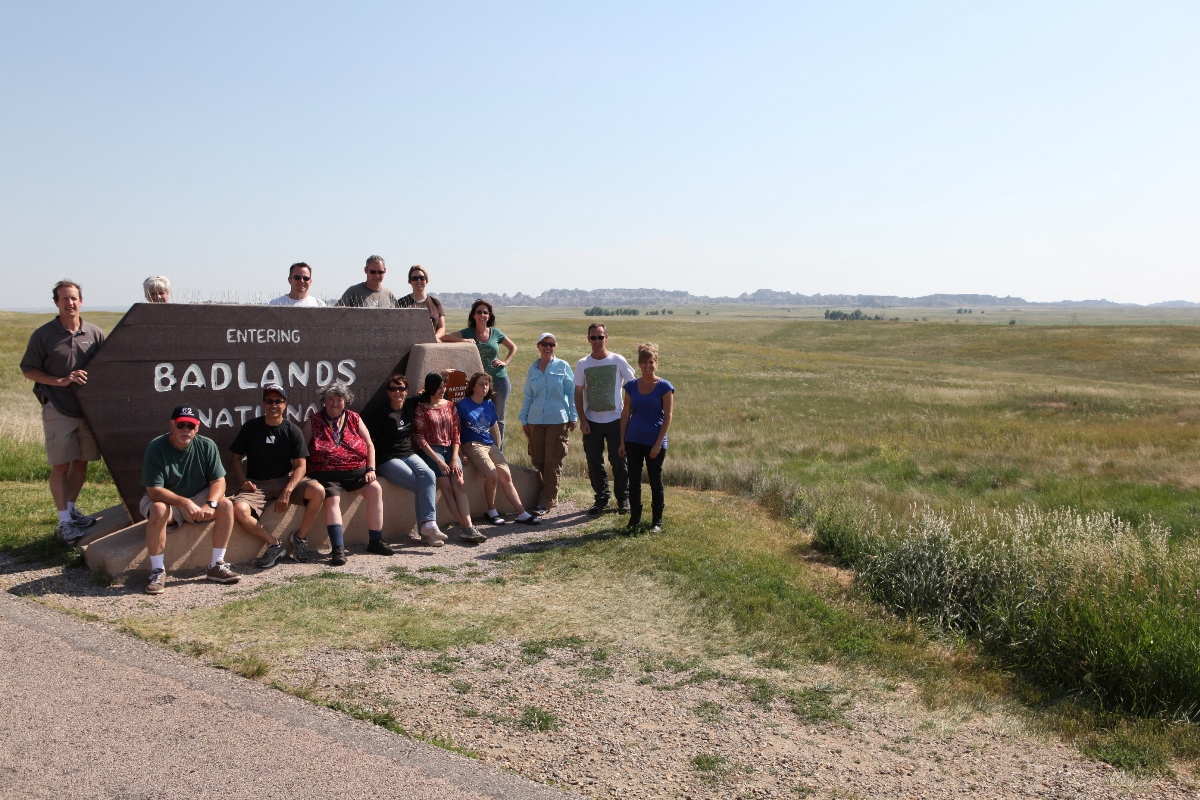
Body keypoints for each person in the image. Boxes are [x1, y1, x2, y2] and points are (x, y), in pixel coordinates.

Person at [20, 280, 106, 543]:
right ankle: (63, 521)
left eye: (73, 298)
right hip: (58, 408)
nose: (70, 303)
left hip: (87, 411)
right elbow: (28, 369)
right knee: (60, 466)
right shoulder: (44, 335)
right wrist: (61, 381)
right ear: (56, 302)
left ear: (81, 301)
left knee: (81, 464)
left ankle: (70, 511)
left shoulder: (94, 333)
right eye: (64, 299)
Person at [139, 405, 240, 594]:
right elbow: (153, 491)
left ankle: (217, 565)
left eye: (191, 426)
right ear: (172, 425)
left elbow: (219, 481)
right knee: (159, 509)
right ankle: (157, 571)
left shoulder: (206, 445)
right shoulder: (156, 447)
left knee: (225, 504)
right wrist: (185, 503)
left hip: (198, 497)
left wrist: (211, 503)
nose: (186, 430)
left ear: (197, 427)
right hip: (168, 500)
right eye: (181, 425)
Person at [227, 384, 326, 568]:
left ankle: (300, 538)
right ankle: (274, 544)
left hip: (285, 481)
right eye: (269, 401)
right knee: (239, 510)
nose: (273, 405)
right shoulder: (251, 427)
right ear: (263, 404)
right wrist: (242, 481)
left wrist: (288, 490)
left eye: (278, 401)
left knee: (318, 491)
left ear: (285, 404)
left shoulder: (292, 430)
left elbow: (301, 466)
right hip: (257, 484)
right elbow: (235, 457)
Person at [302, 382, 389, 565]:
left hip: (355, 471)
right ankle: (338, 549)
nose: (334, 403)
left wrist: (371, 469)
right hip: (325, 473)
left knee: (375, 490)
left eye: (339, 399)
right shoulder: (314, 421)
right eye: (330, 399)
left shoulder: (354, 418)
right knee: (333, 499)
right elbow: (301, 450)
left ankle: (375, 541)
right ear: (323, 401)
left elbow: (369, 445)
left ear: (346, 401)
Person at [362, 374, 446, 548]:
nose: (397, 392)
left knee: (429, 474)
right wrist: (369, 467)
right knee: (420, 484)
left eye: (401, 388)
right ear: (388, 392)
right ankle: (428, 528)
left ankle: (428, 526)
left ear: (406, 391)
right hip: (388, 459)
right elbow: (369, 442)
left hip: (408, 454)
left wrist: (444, 375)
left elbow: (431, 389)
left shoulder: (410, 404)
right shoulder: (381, 412)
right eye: (393, 388)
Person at [457, 372, 540, 526]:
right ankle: (491, 511)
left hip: (489, 445)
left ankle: (522, 513)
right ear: (473, 386)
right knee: (492, 475)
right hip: (472, 444)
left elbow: (494, 428)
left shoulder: (489, 404)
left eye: (487, 384)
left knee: (506, 476)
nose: (484, 387)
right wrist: (460, 453)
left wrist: (497, 446)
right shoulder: (463, 405)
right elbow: (455, 431)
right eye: (481, 384)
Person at [414, 372, 486, 544]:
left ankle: (468, 527)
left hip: (450, 450)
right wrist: (438, 461)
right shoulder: (421, 408)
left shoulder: (450, 406)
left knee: (459, 484)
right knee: (446, 487)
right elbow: (420, 438)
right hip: (432, 451)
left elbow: (456, 433)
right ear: (431, 388)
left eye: (444, 387)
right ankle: (467, 528)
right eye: (439, 387)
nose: (443, 390)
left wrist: (455, 457)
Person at [574, 323, 635, 516]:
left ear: (606, 338)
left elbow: (632, 385)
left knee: (618, 460)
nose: (597, 341)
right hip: (592, 421)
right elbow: (578, 393)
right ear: (588, 340)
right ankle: (601, 497)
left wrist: (627, 412)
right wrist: (582, 419)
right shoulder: (583, 364)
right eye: (593, 337)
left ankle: (623, 499)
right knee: (594, 461)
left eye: (600, 337)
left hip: (616, 420)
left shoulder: (617, 360)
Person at [440, 300, 515, 449]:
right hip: (479, 382)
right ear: (474, 315)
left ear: (489, 316)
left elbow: (513, 347)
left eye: (485, 312)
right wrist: (463, 340)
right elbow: (444, 337)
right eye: (479, 312)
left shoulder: (496, 333)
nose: (482, 315)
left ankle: (498, 451)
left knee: (498, 418)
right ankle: (482, 447)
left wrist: (505, 362)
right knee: (479, 416)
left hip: (499, 380)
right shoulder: (469, 332)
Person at [518, 332, 577, 513]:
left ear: (555, 347)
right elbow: (528, 395)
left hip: (557, 419)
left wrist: (573, 415)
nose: (548, 347)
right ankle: (551, 495)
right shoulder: (533, 369)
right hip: (536, 419)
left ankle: (545, 502)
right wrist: (524, 419)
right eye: (544, 344)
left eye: (551, 344)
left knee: (553, 460)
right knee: (538, 459)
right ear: (538, 346)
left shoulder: (563, 366)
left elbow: (571, 392)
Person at [618, 343, 674, 533]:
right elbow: (626, 414)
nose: (647, 366)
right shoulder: (632, 386)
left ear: (656, 363)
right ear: (639, 364)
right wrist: (622, 441)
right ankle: (634, 518)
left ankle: (657, 522)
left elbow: (668, 417)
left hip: (654, 442)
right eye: (644, 362)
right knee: (633, 480)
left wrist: (658, 443)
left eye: (651, 362)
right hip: (633, 439)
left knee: (655, 481)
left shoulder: (665, 387)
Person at [396, 265, 445, 338]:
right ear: (410, 281)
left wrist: (435, 337)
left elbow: (442, 328)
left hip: (430, 346)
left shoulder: (435, 303)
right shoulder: (401, 303)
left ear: (426, 280)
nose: (419, 281)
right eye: (415, 278)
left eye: (422, 278)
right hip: (408, 347)